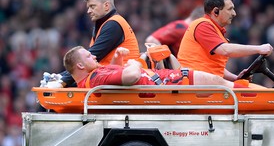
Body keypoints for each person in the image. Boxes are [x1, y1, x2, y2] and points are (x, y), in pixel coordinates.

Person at [177, 0, 274, 88]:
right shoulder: (203, 25)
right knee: (248, 91)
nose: (234, 13)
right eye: (230, 9)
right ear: (216, 11)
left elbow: (213, 67)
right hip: (197, 83)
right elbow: (225, 50)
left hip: (205, 81)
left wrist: (235, 78)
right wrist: (259, 48)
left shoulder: (214, 29)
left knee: (246, 86)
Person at [48, 0, 140, 88]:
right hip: (112, 77)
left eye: (92, 6)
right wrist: (60, 77)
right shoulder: (104, 24)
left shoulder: (113, 24)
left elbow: (92, 56)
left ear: (106, 6)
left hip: (123, 78)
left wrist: (62, 80)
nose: (88, 11)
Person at [63, 46, 249, 90]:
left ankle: (242, 88)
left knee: (165, 53)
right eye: (88, 56)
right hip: (166, 84)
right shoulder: (95, 78)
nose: (93, 55)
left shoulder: (94, 77)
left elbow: (114, 76)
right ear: (79, 65)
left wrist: (118, 58)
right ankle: (245, 93)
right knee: (217, 82)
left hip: (161, 80)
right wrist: (135, 62)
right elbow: (130, 77)